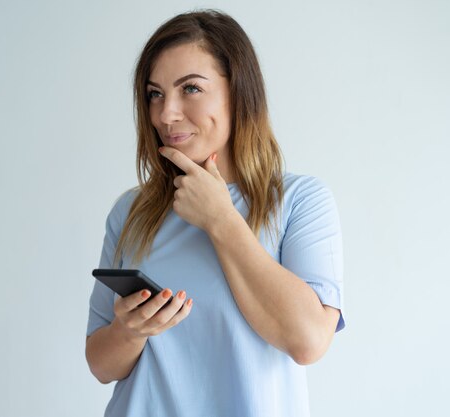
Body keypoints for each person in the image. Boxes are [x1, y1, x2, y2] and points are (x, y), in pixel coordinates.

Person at [85, 9, 345, 417]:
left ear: (239, 92)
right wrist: (128, 331)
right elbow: (100, 364)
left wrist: (221, 219)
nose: (166, 114)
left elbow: (309, 341)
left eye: (190, 88)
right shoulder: (131, 211)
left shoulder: (300, 200)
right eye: (155, 93)